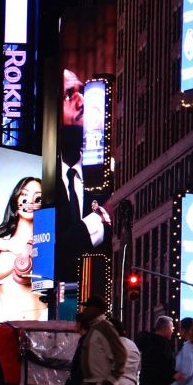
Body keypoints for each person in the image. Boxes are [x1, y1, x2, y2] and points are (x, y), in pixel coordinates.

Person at [55, 69, 112, 282]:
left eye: (82, 92)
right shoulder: (35, 181)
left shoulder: (106, 178)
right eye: (69, 95)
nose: (82, 102)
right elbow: (55, 252)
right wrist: (101, 217)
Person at [0, 176, 47, 322]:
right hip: (5, 325)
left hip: (41, 327)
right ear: (16, 201)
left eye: (38, 198)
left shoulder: (46, 247)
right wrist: (11, 246)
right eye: (24, 195)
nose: (30, 202)